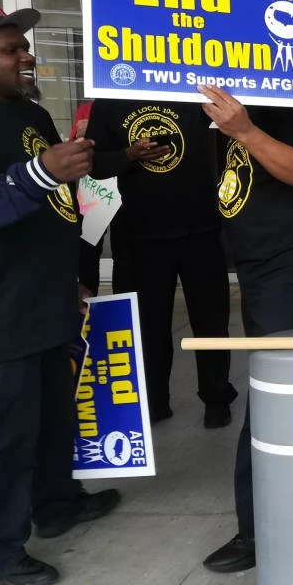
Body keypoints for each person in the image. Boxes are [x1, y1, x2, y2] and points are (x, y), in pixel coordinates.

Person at [0, 3, 120, 585]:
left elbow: (56, 199)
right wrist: (40, 173)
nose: (26, 55)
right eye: (8, 49)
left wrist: (72, 269)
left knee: (52, 419)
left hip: (46, 296)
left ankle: (57, 503)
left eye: (24, 46)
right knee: (3, 437)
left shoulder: (32, 111)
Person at [199, 83, 293, 574]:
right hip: (258, 267)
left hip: (292, 266)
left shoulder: (292, 98)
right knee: (275, 393)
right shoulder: (228, 101)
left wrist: (243, 130)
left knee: (274, 396)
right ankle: (274, 522)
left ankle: (260, 531)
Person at [85, 99, 235, 427]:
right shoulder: (111, 98)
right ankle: (153, 402)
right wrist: (129, 155)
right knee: (147, 327)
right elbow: (94, 165)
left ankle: (216, 399)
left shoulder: (190, 86)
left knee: (211, 321)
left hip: (202, 227)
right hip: (140, 232)